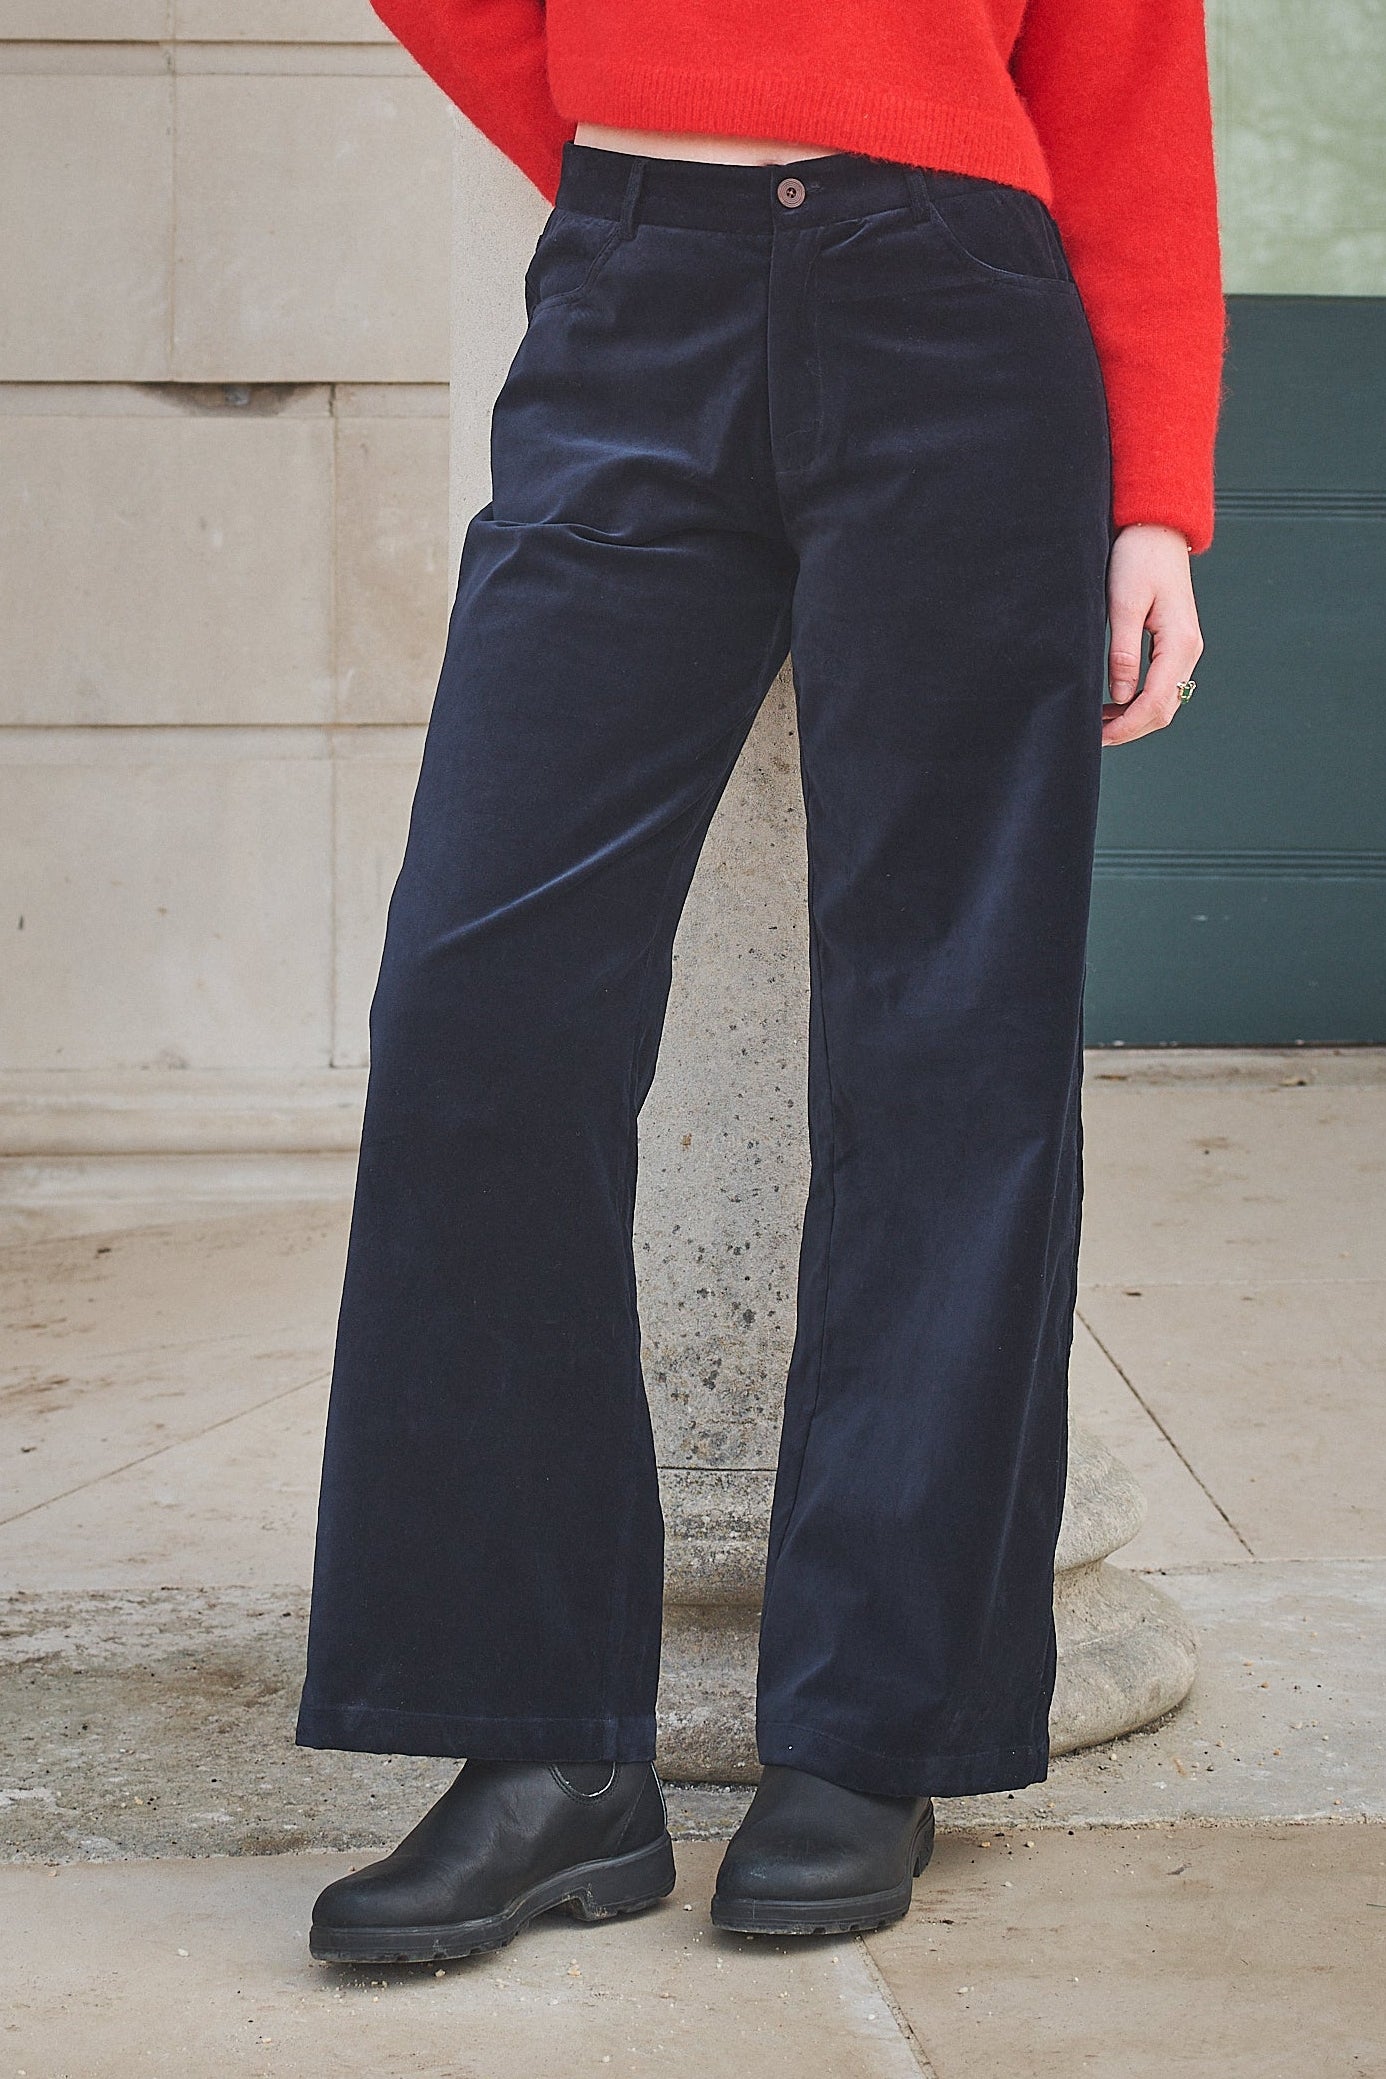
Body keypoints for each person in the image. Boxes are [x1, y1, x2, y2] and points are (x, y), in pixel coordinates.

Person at [296, 0, 1224, 1962]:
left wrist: (1156, 491)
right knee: (478, 1007)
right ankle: (538, 1751)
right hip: (639, 283)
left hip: (965, 305)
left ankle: (871, 1730)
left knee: (948, 1036)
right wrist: (623, 114)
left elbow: (1128, 64)